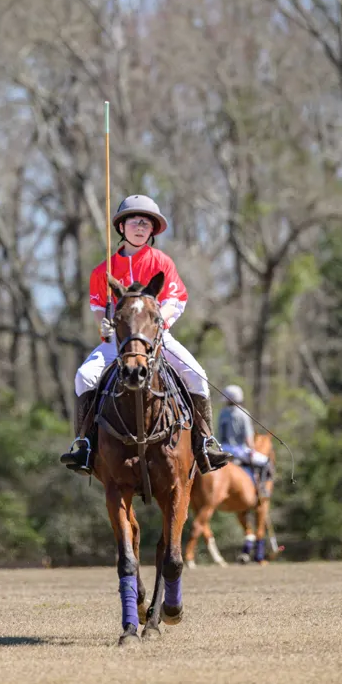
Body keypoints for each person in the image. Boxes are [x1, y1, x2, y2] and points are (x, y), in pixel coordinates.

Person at [60, 194, 229, 477]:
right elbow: (98, 306)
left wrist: (161, 324)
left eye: (147, 224)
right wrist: (103, 325)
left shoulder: (162, 262)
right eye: (135, 222)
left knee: (197, 375)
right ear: (121, 227)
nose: (140, 227)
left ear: (152, 231)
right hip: (118, 343)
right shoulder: (104, 270)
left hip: (156, 340)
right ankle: (85, 445)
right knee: (84, 376)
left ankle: (205, 442)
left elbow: (176, 299)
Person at [218, 385, 270, 471]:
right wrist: (252, 450)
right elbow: (248, 437)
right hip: (239, 451)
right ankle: (260, 484)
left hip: (223, 449)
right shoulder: (243, 413)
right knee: (266, 462)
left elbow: (219, 434)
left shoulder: (222, 413)